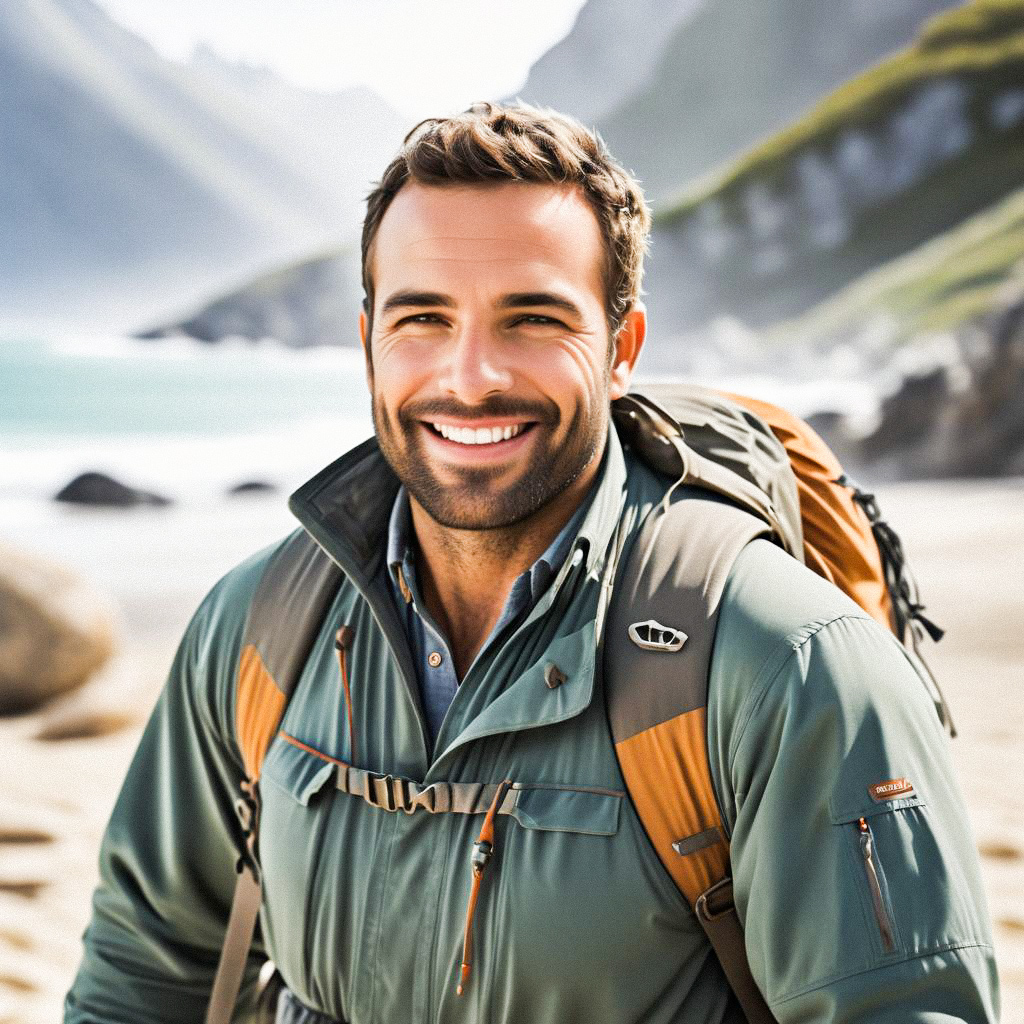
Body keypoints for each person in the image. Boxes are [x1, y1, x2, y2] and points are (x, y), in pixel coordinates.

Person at [65, 102, 999, 1024]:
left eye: (533, 319)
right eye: (423, 318)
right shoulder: (259, 623)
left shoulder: (786, 664)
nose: (470, 377)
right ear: (367, 346)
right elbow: (140, 974)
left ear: (621, 347)